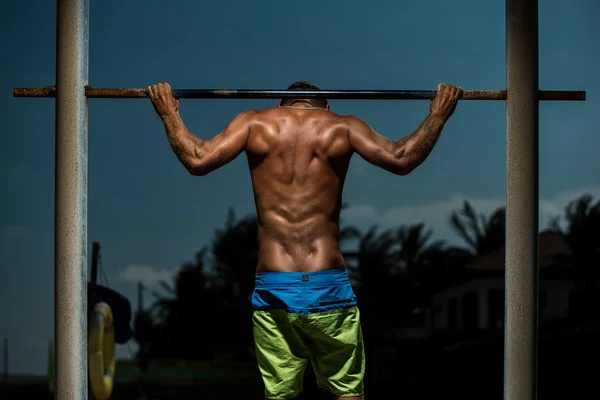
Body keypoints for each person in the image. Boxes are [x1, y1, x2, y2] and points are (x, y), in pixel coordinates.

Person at [148, 80, 462, 399]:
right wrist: (437, 116)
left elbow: (198, 159)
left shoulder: (254, 122)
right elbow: (401, 158)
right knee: (348, 392)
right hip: (329, 283)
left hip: (274, 285)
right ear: (325, 107)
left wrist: (168, 114)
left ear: (281, 105)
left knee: (281, 395)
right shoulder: (343, 125)